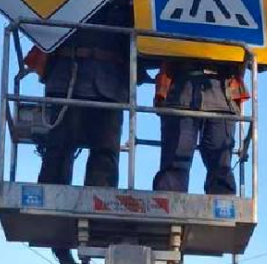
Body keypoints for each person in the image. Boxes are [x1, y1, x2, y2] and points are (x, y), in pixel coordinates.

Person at [29, 0, 133, 187]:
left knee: (105, 152)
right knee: (59, 146)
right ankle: (51, 197)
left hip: (109, 83)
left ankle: (100, 206)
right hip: (69, 75)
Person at [151, 59, 246, 194]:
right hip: (182, 93)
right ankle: (168, 209)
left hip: (221, 96)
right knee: (175, 165)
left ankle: (222, 209)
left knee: (220, 167)